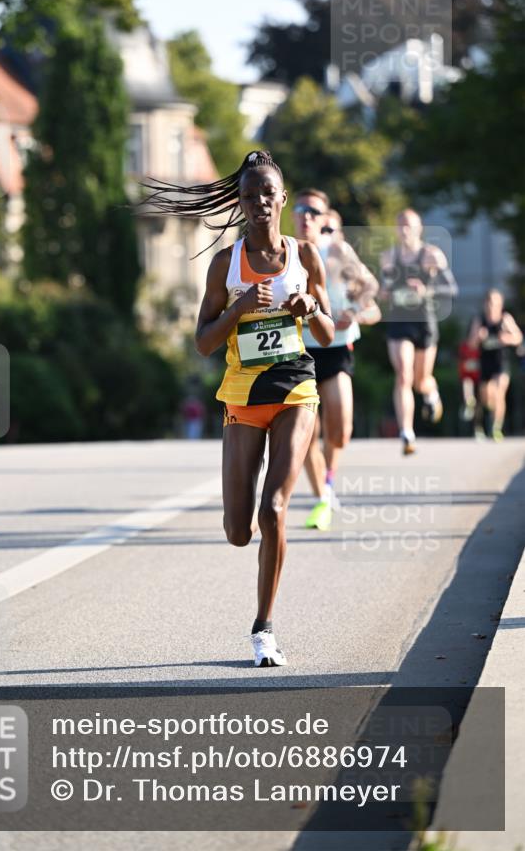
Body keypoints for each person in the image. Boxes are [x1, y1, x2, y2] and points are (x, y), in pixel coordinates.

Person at [142, 150, 334, 666]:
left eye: (268, 194)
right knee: (237, 530)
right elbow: (204, 342)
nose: (260, 204)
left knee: (274, 509)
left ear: (283, 199)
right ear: (241, 203)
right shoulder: (225, 264)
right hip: (243, 397)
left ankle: (263, 629)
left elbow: (329, 332)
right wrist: (239, 308)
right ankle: (249, 554)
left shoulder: (305, 256)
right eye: (250, 196)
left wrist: (309, 307)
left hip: (296, 389)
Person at [294, 197, 381, 529]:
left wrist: (354, 311)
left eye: (314, 212)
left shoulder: (338, 251)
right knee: (306, 433)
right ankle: (323, 496)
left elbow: (370, 286)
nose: (307, 217)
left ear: (323, 218)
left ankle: (328, 479)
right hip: (302, 350)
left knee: (340, 429)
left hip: (338, 350)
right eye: (301, 210)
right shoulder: (289, 252)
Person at [380, 209, 458, 455]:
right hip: (399, 322)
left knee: (420, 380)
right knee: (403, 375)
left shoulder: (431, 255)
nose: (404, 229)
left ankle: (431, 393)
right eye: (400, 225)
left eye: (409, 225)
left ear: (419, 228)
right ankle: (407, 433)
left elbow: (451, 289)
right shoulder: (388, 257)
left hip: (424, 322)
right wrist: (385, 293)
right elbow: (385, 288)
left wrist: (427, 290)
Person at [468, 289, 523, 441]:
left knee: (499, 393)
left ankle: (496, 427)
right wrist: (478, 337)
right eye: (490, 303)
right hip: (486, 364)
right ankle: (491, 416)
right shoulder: (479, 321)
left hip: (501, 363)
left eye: (495, 303)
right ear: (486, 304)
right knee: (487, 398)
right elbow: (471, 345)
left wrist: (508, 338)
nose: (492, 306)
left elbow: (518, 338)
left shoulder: (505, 319)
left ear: (500, 304)